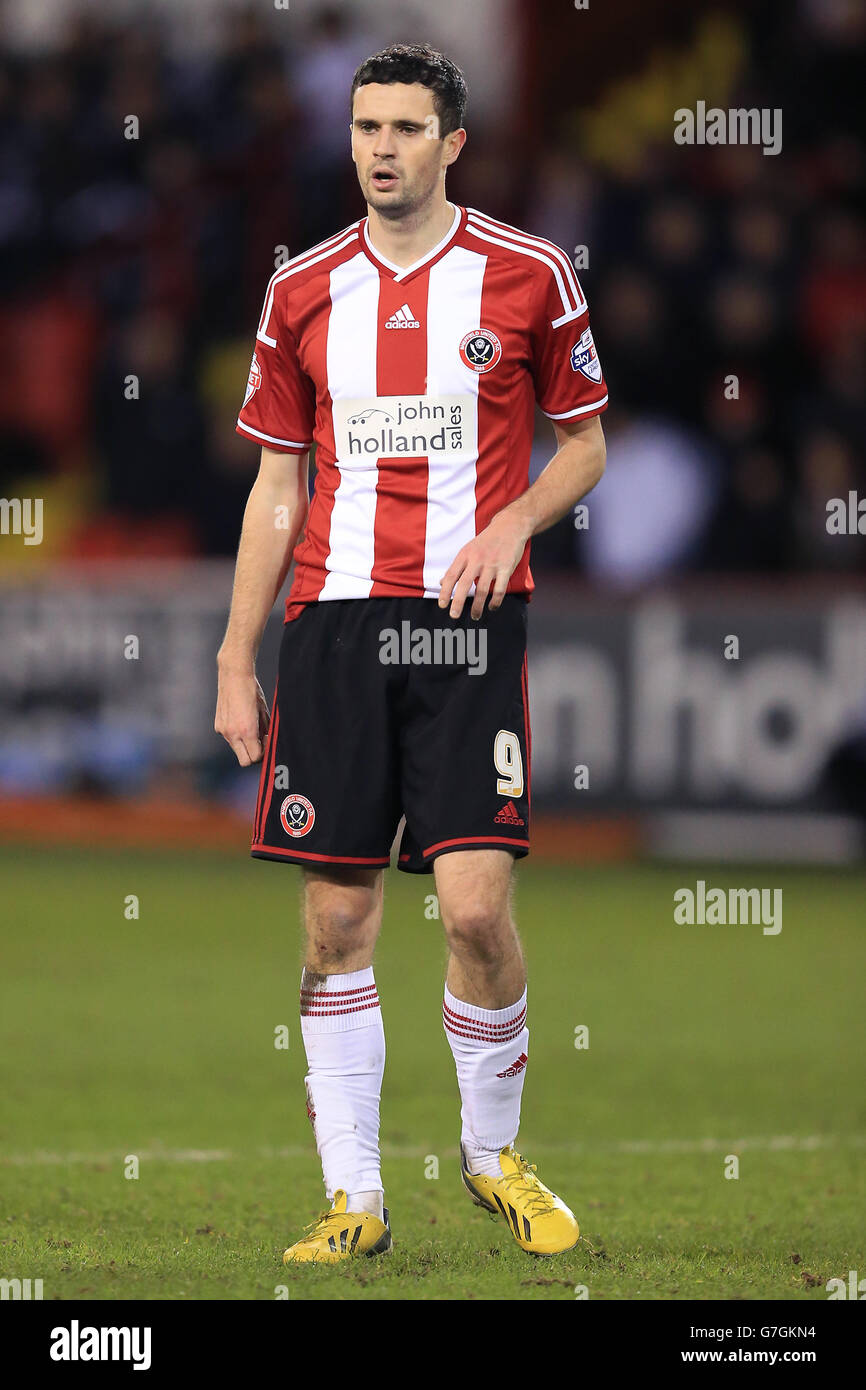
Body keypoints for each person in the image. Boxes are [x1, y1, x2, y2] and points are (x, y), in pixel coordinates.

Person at [214, 42, 607, 1263]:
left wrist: (511, 519)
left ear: (453, 143)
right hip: (329, 627)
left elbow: (585, 442)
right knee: (336, 921)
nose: (380, 146)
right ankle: (355, 1200)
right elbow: (279, 482)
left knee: (477, 912)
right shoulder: (303, 290)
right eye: (364, 125)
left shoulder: (527, 274)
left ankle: (493, 1158)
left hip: (463, 627)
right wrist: (236, 655)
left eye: (405, 126)